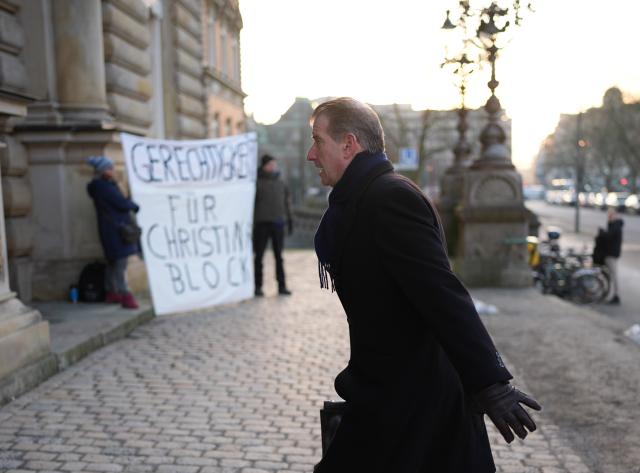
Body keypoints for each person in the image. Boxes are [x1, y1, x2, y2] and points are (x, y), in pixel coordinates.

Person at [308, 98, 541, 473]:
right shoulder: (360, 199)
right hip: (387, 393)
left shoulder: (389, 198)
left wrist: (490, 382)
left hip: (417, 399)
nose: (310, 154)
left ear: (348, 144)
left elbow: (442, 293)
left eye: (317, 141)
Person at [86, 156, 140, 309]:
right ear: (103, 171)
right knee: (120, 263)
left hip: (112, 230)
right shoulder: (103, 187)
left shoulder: (104, 186)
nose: (113, 171)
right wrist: (133, 205)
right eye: (110, 168)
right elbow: (121, 203)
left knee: (113, 262)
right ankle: (124, 294)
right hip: (116, 231)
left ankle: (112, 292)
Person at [253, 154, 293, 296]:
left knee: (279, 256)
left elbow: (287, 202)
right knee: (259, 257)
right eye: (270, 164)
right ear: (264, 166)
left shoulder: (281, 182)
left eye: (274, 164)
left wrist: (289, 219)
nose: (273, 167)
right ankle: (257, 286)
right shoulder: (255, 182)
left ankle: (282, 286)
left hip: (278, 223)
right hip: (261, 223)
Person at [603, 208, 624, 304]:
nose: (609, 217)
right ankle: (613, 294)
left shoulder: (616, 225)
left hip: (612, 254)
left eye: (611, 215)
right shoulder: (614, 224)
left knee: (613, 275)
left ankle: (616, 295)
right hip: (611, 253)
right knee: (611, 274)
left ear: (615, 215)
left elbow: (609, 236)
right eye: (609, 215)